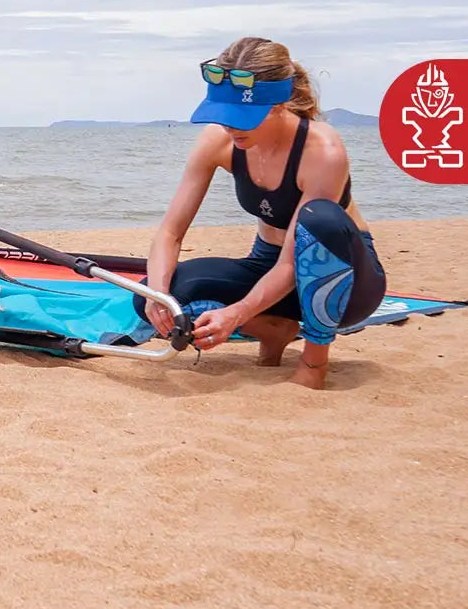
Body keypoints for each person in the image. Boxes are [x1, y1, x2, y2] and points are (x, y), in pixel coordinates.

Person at [138, 37, 386, 389]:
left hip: (345, 282)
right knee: (151, 296)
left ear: (278, 104)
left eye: (242, 117)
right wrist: (159, 296)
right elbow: (170, 233)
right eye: (225, 115)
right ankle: (273, 329)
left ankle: (314, 365)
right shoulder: (218, 140)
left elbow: (291, 264)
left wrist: (235, 313)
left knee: (320, 218)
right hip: (268, 264)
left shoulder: (323, 151)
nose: (230, 127)